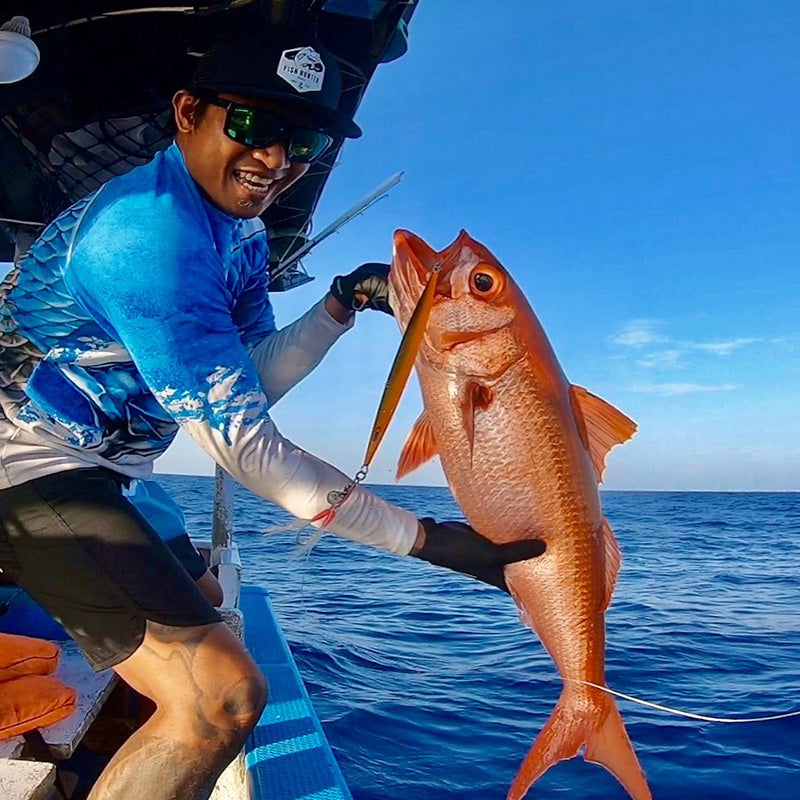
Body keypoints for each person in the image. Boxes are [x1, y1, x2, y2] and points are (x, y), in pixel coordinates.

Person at [0, 23, 544, 800]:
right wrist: (428, 541)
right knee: (221, 699)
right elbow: (245, 447)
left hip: (112, 469)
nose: (276, 160)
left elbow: (249, 384)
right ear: (188, 112)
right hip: (27, 462)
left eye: (305, 143)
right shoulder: (145, 237)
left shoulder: (242, 234)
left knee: (213, 601)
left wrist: (338, 305)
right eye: (253, 124)